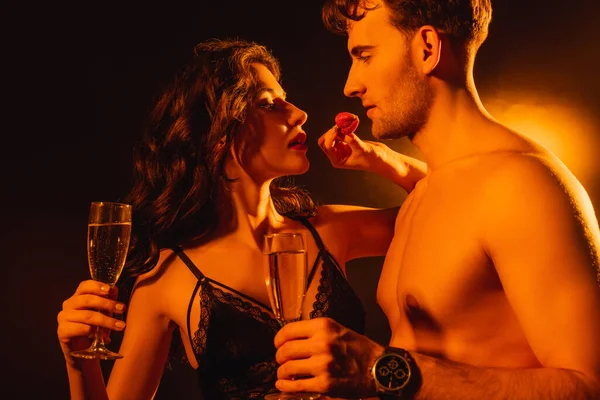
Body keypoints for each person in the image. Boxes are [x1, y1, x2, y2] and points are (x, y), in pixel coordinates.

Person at [56, 38, 427, 399]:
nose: (299, 113)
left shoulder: (328, 230)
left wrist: (385, 161)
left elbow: (452, 202)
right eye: (269, 104)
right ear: (217, 132)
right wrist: (78, 360)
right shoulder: (166, 279)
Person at [272, 1, 600, 399]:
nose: (351, 85)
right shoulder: (430, 189)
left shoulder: (522, 184)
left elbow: (590, 386)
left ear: (427, 48)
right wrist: (391, 164)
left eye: (365, 55)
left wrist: (379, 370)